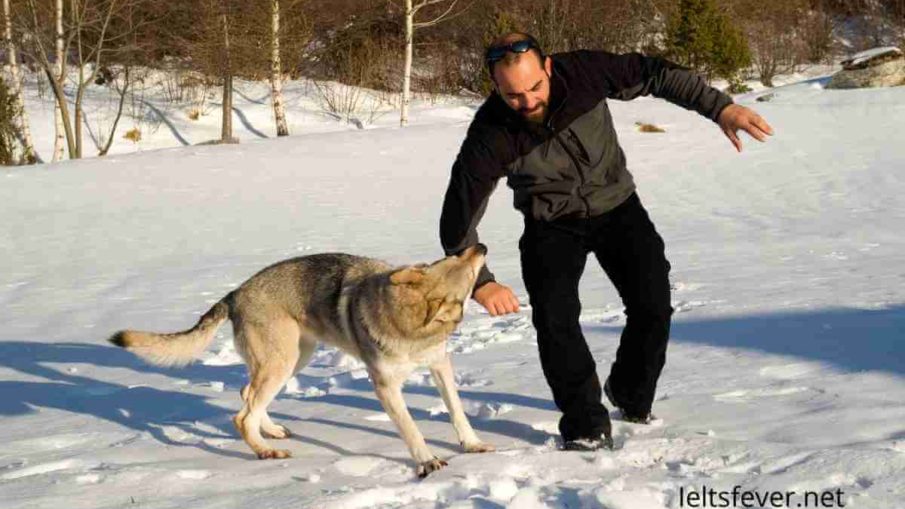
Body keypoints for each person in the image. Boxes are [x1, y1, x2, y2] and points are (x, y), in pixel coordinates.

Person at [439, 32, 773, 451]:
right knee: (555, 318)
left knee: (652, 302)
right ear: (496, 87)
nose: (527, 101)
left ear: (548, 67)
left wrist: (720, 108)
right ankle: (585, 425)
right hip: (551, 223)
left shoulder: (585, 73)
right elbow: (457, 219)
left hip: (617, 206)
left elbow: (657, 74)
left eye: (534, 87)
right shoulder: (491, 134)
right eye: (513, 95)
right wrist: (481, 281)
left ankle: (630, 393)